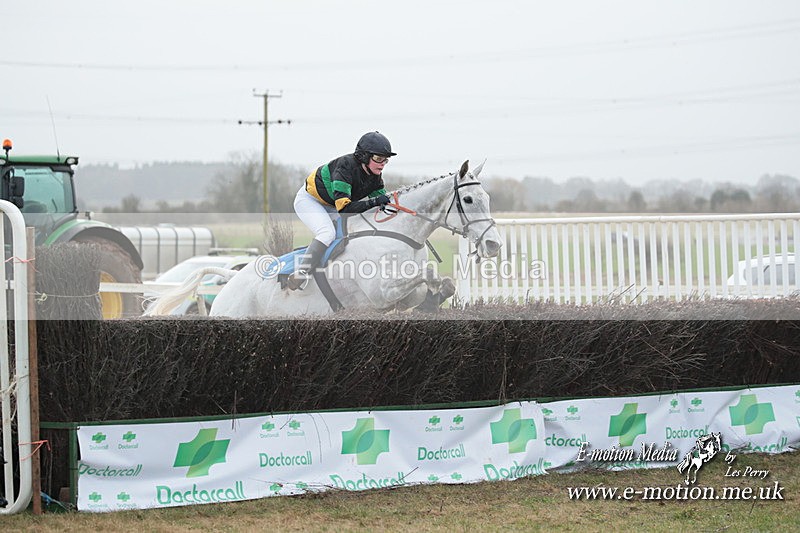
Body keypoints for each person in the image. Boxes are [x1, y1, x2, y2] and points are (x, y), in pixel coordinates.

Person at [289, 131, 395, 289]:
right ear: (364, 157)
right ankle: (302, 272)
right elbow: (345, 209)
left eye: (385, 160)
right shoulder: (345, 168)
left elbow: (384, 203)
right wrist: (373, 202)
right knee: (327, 233)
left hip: (333, 204)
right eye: (378, 159)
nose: (382, 164)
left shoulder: (375, 176)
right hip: (310, 201)